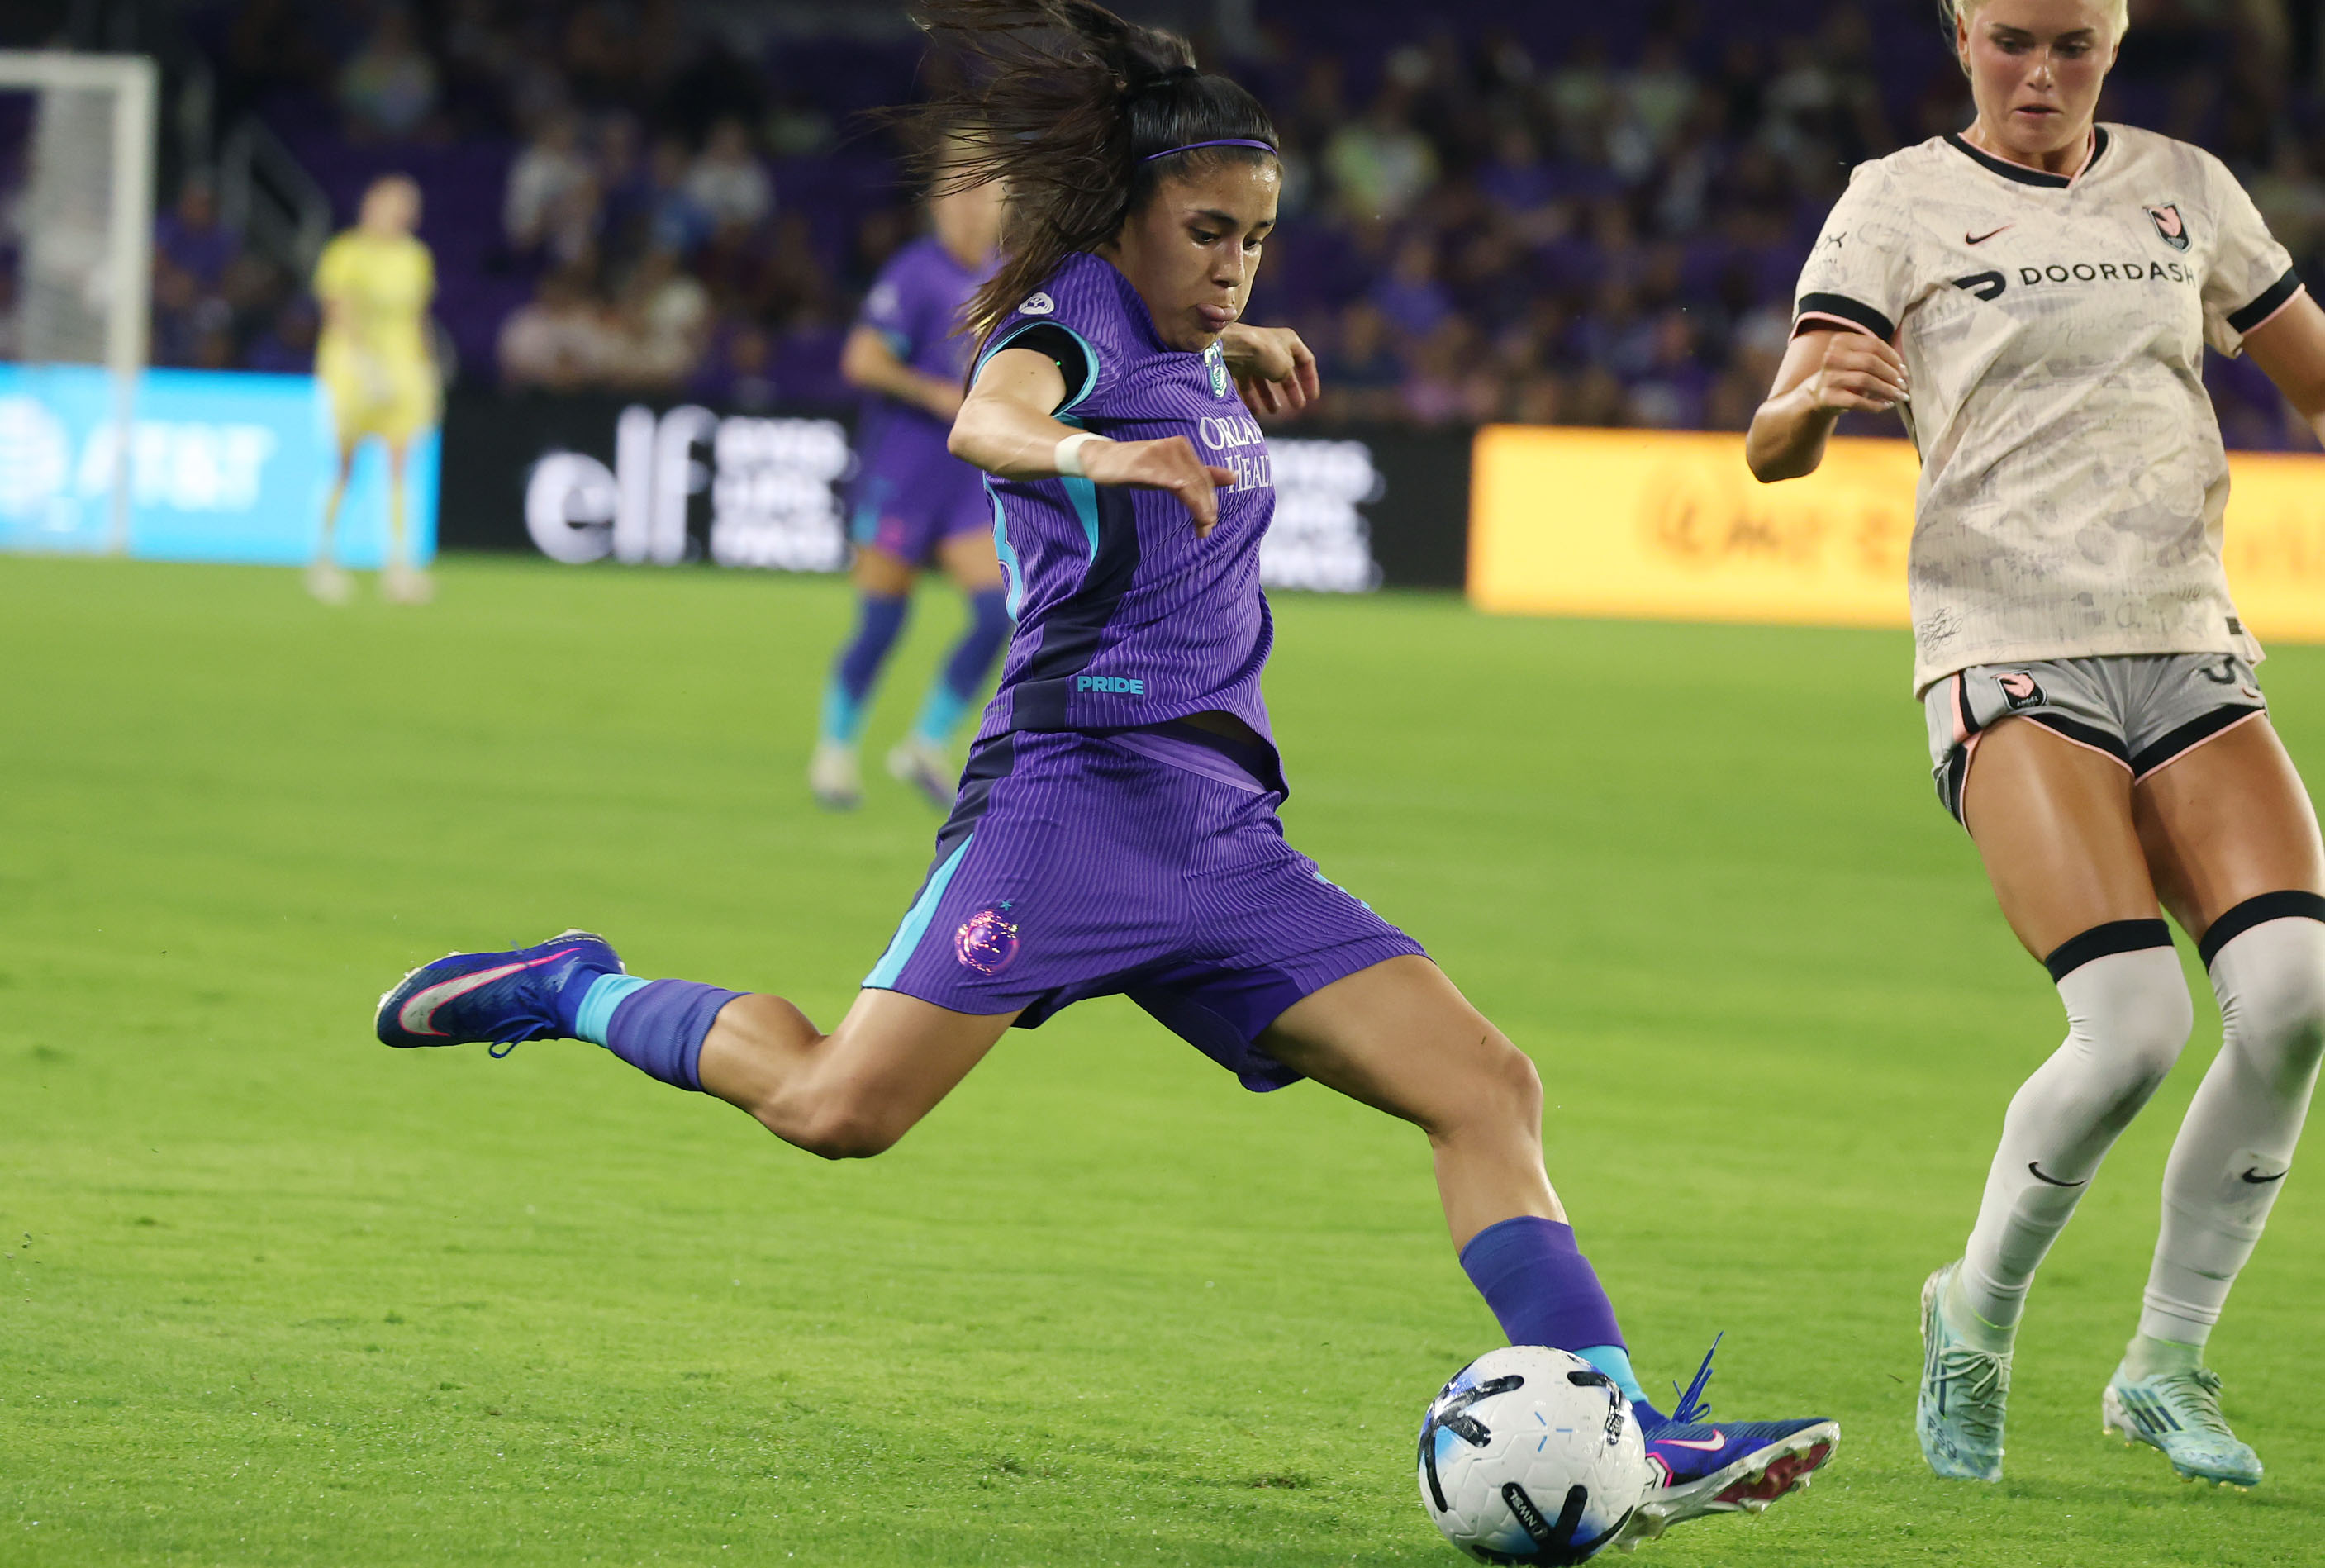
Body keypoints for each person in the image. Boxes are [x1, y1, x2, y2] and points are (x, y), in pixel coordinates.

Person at [373, 2, 1837, 1551]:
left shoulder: (1186, 337)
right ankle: (574, 985)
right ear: (1125, 215)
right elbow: (987, 414)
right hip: (1067, 807)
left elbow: (1186, 343)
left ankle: (1624, 1427)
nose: (1233, 264)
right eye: (1206, 233)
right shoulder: (1062, 320)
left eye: (1258, 242)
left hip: (1220, 835)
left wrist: (1224, 340)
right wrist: (1096, 452)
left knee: (1484, 1087)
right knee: (832, 1108)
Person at [1748, 0, 2325, 1492]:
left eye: (2070, 43)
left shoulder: (2183, 186)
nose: (2039, 72)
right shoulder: (1893, 200)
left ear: (2113, 42)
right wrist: (1810, 405)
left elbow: (2312, 378)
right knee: (2131, 1024)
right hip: (2002, 649)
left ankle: (2160, 1362)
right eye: (2011, 40)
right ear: (1959, 36)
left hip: (2186, 642)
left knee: (2292, 1000)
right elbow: (1772, 433)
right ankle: (1973, 1310)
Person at [810, 135, 1010, 810]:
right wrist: (936, 394)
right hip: (905, 468)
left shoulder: (1010, 276)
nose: (970, 209)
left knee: (995, 613)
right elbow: (861, 360)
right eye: (958, 194)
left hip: (965, 482)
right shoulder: (914, 272)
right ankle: (834, 754)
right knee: (881, 623)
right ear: (936, 205)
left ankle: (925, 743)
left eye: (983, 192)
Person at [311, 174, 439, 605]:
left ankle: (399, 565)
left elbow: (419, 317)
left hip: (401, 370)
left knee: (400, 462)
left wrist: (427, 367)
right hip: (353, 368)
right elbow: (338, 310)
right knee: (346, 465)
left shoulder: (416, 257)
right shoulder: (347, 252)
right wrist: (365, 363)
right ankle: (325, 557)